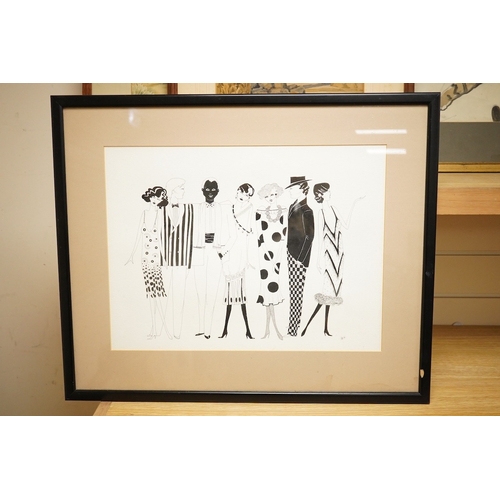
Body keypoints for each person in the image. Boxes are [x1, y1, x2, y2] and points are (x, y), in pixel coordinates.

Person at [300, 182, 362, 337]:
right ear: (321, 194)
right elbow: (320, 238)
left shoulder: (334, 209)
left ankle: (324, 329)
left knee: (332, 292)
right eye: (327, 191)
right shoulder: (320, 213)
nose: (329, 193)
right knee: (327, 292)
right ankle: (308, 326)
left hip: (339, 255)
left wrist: (354, 203)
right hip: (328, 256)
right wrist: (318, 260)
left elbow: (346, 225)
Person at [126, 186, 170, 339]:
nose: (156, 200)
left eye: (159, 198)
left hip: (156, 258)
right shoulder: (144, 214)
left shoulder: (160, 216)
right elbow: (138, 235)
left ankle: (160, 329)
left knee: (156, 293)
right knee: (151, 294)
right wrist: (132, 255)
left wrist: (164, 258)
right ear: (150, 197)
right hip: (144, 258)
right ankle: (155, 328)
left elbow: (162, 240)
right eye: (155, 197)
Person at [218, 183, 255, 339]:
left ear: (249, 197)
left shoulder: (249, 209)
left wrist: (222, 251)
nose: (242, 195)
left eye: (246, 194)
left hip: (239, 253)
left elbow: (249, 233)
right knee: (231, 292)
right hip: (230, 253)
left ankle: (246, 330)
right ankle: (226, 330)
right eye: (241, 192)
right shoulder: (230, 208)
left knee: (239, 292)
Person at [192, 178, 228, 339]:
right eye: (207, 190)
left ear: (217, 192)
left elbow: (227, 231)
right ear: (203, 191)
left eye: (214, 190)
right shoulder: (196, 208)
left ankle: (208, 330)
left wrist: (222, 250)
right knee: (200, 291)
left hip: (215, 251)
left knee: (213, 291)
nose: (210, 193)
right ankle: (201, 327)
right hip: (199, 250)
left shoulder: (222, 209)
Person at [161, 178, 194, 339]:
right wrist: (162, 258)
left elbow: (190, 236)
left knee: (179, 297)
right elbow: (158, 235)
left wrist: (189, 263)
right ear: (173, 190)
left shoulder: (189, 209)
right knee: (166, 297)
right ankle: (166, 332)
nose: (183, 191)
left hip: (182, 261)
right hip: (165, 261)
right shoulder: (161, 209)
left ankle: (177, 332)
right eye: (181, 188)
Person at [255, 183, 287, 339]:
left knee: (272, 288)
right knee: (267, 289)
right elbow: (259, 236)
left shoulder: (284, 211)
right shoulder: (260, 212)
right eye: (267, 195)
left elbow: (284, 236)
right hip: (264, 255)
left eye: (273, 194)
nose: (271, 198)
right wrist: (266, 253)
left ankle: (270, 329)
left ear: (278, 194)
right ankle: (272, 329)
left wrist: (276, 256)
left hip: (277, 256)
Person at [285, 176, 315, 337]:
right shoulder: (292, 206)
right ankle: (293, 326)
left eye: (293, 188)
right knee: (293, 291)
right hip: (291, 253)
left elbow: (309, 237)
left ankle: (293, 328)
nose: (290, 191)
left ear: (303, 189)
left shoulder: (306, 210)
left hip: (298, 258)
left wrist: (300, 259)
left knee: (297, 292)